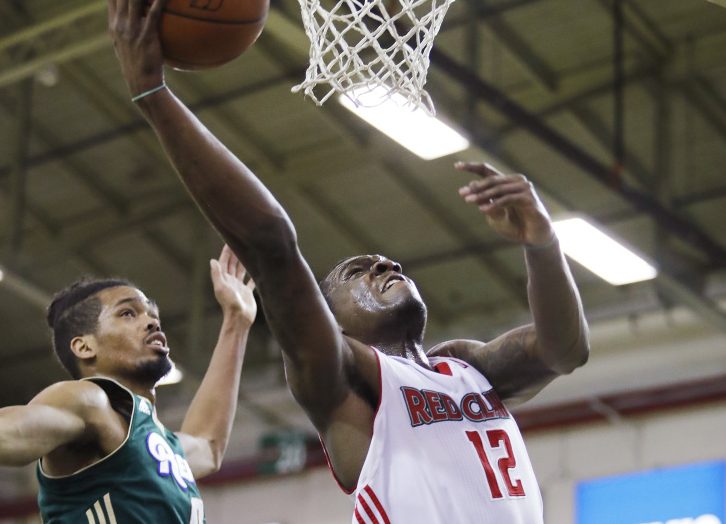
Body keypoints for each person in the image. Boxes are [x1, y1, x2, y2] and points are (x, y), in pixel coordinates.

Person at [107, 0, 590, 521]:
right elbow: (272, 244)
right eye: (358, 270)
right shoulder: (342, 384)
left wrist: (541, 243)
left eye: (386, 263)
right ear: (328, 319)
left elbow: (565, 350)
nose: (386, 265)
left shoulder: (465, 367)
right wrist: (154, 95)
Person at [0, 245, 256, 523]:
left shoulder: (159, 446)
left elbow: (209, 445)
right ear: (85, 347)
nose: (151, 322)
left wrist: (236, 321)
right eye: (128, 314)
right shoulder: (88, 402)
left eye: (152, 315)